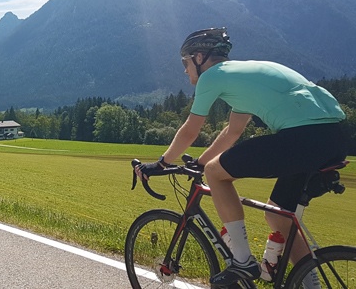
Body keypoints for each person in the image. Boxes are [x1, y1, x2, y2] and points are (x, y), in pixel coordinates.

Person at [134, 27, 347, 285]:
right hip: (332, 137)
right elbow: (232, 132)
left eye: (185, 62)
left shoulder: (212, 76)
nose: (184, 70)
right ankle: (309, 283)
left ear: (199, 57)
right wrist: (200, 161)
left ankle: (243, 262)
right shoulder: (242, 77)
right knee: (279, 216)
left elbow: (191, 129)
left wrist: (162, 163)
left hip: (301, 136)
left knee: (215, 173)